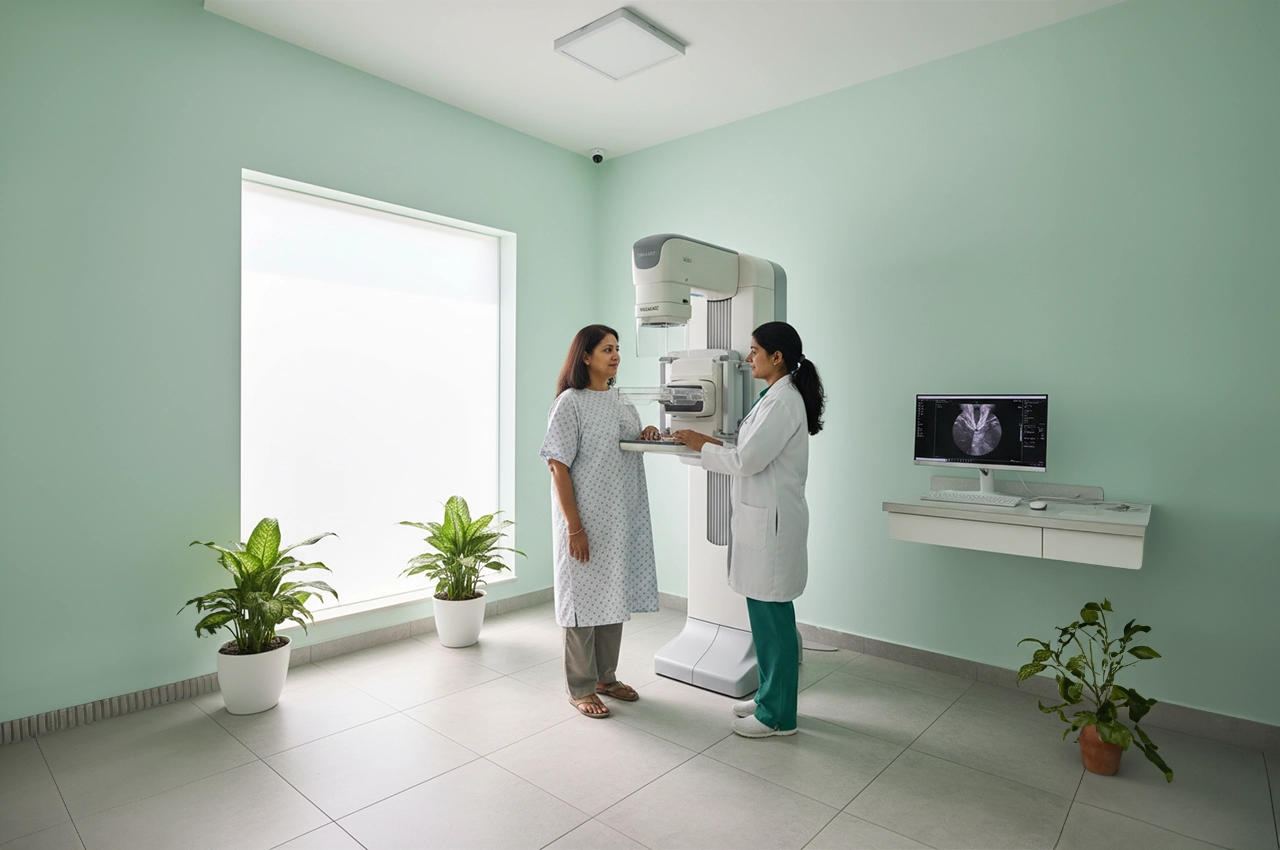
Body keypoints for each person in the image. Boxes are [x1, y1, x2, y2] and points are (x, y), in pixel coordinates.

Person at [672, 321, 825, 738]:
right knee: (764, 620)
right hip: (765, 521)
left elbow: (746, 461)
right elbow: (747, 451)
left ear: (777, 357)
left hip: (772, 526)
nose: (749, 357)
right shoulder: (774, 397)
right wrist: (703, 442)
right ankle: (766, 699)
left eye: (755, 350)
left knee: (774, 623)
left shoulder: (783, 402)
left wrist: (701, 444)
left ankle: (778, 717)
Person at [540, 324, 662, 718]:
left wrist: (647, 432)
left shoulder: (621, 401)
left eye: (617, 348)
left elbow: (626, 443)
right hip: (585, 522)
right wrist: (574, 527)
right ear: (586, 356)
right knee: (581, 603)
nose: (615, 355)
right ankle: (580, 687)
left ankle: (605, 678)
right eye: (607, 349)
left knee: (612, 595)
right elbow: (557, 466)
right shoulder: (570, 404)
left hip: (618, 521)